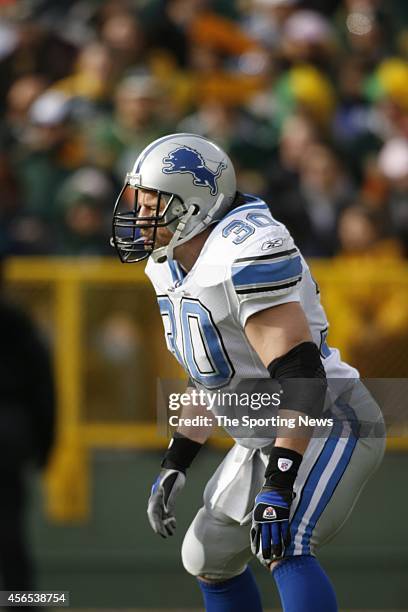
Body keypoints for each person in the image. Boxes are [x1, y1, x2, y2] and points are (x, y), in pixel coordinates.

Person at [111, 133, 385, 612]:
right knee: (206, 554)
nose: (141, 215)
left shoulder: (245, 249)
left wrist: (278, 485)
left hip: (327, 419)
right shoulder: (168, 261)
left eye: (155, 203)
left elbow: (302, 378)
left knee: (284, 543)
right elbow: (211, 375)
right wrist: (177, 460)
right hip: (266, 427)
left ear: (196, 205)